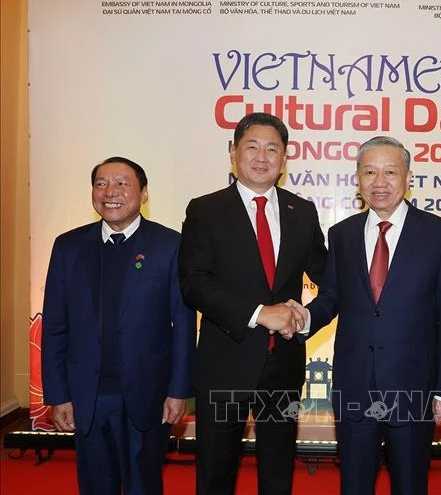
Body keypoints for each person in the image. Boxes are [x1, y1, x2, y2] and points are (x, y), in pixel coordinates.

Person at [295, 136, 441, 494]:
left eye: (390, 171)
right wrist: (304, 319)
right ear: (357, 178)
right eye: (369, 172)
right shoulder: (342, 234)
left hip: (414, 385)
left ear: (408, 177)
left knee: (410, 484)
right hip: (355, 385)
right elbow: (330, 298)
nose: (380, 182)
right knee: (354, 485)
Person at [178, 112, 328, 495]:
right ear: (233, 152)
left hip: (283, 365)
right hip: (225, 362)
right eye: (252, 146)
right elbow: (194, 284)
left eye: (272, 148)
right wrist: (261, 314)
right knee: (216, 472)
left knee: (278, 471)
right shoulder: (205, 210)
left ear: (284, 157)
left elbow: (331, 276)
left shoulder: (302, 210)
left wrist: (308, 315)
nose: (262, 157)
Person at [41, 157, 196, 495]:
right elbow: (54, 326)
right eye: (101, 183)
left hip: (148, 394)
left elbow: (183, 324)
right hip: (87, 397)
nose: (110, 192)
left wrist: (178, 389)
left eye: (122, 183)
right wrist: (58, 395)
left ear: (143, 194)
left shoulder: (170, 245)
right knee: (96, 486)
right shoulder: (67, 247)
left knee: (144, 484)